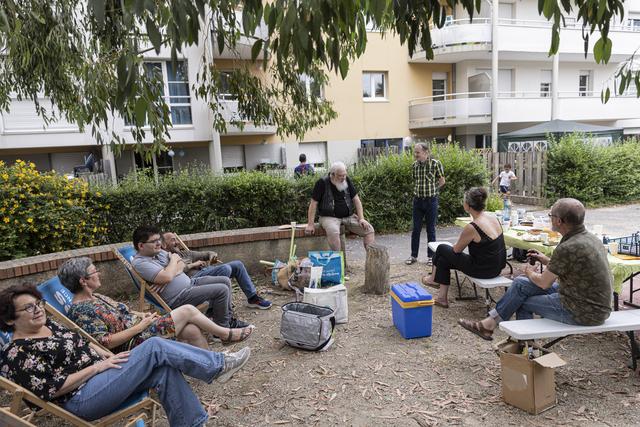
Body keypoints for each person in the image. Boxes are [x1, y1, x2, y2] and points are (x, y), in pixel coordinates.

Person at [0, 283, 251, 427]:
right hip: (80, 399)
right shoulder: (18, 353)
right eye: (28, 307)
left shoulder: (48, 326)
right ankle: (217, 366)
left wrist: (104, 357)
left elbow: (83, 343)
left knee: (162, 370)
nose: (38, 310)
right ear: (11, 319)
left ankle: (193, 423)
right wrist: (97, 368)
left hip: (105, 376)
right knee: (154, 346)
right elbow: (52, 390)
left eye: (39, 303)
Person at [458, 198, 612, 341]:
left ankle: (525, 349)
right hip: (590, 301)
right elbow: (571, 266)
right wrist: (546, 260)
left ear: (559, 221)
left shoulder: (569, 246)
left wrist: (529, 271)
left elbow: (543, 283)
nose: (549, 218)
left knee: (522, 301)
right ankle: (489, 324)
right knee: (520, 283)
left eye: (550, 215)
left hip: (584, 311)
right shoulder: (589, 238)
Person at [58, 257, 252, 352]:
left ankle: (213, 366)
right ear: (83, 281)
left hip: (142, 328)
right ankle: (225, 333)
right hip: (134, 343)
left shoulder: (97, 297)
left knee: (192, 329)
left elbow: (124, 312)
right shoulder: (82, 310)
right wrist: (140, 326)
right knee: (187, 311)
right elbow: (105, 342)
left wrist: (141, 316)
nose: (98, 274)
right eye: (94, 272)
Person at [130, 225, 251, 329]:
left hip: (190, 283)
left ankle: (226, 320)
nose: (159, 244)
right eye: (154, 241)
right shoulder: (140, 263)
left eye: (159, 240)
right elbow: (168, 275)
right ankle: (222, 329)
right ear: (141, 246)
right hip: (178, 297)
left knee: (225, 280)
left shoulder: (157, 252)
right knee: (222, 289)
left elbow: (181, 262)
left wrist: (172, 270)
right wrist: (173, 261)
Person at [421, 187, 506, 308]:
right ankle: (441, 298)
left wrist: (453, 247)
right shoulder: (494, 218)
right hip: (497, 267)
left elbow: (456, 250)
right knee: (443, 259)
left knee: (441, 249)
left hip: (483, 270)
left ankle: (433, 279)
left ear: (467, 205)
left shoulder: (472, 227)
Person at [160, 231, 272, 309]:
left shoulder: (186, 253)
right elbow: (173, 274)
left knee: (237, 264)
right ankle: (216, 308)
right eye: (173, 240)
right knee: (225, 268)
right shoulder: (166, 258)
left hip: (207, 272)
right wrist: (193, 264)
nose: (177, 242)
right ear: (164, 245)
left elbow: (208, 253)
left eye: (176, 240)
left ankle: (253, 298)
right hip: (193, 280)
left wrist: (212, 256)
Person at [305, 161, 375, 251]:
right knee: (333, 232)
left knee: (369, 230)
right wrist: (310, 224)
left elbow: (356, 200)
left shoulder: (346, 180)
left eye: (344, 175)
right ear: (332, 174)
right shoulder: (322, 183)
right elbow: (313, 203)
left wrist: (361, 218)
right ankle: (338, 260)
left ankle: (371, 258)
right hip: (329, 217)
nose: (343, 178)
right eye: (340, 176)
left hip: (348, 216)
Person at [406, 142, 445, 265]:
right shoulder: (414, 166)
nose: (415, 154)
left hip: (431, 201)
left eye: (417, 152)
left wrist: (434, 190)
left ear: (425, 152)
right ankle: (413, 256)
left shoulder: (435, 164)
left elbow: (442, 181)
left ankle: (431, 257)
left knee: (431, 230)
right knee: (415, 229)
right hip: (417, 201)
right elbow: (415, 181)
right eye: (415, 152)